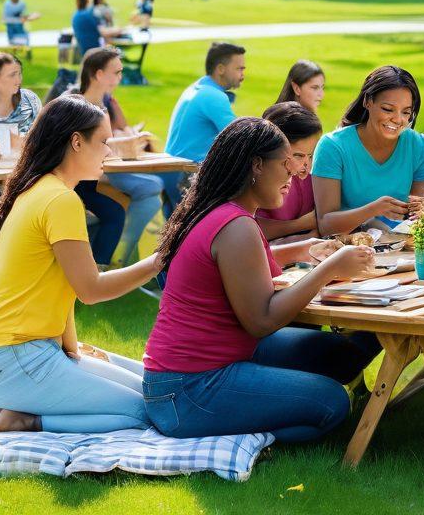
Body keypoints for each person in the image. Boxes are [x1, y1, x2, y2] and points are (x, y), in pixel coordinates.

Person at [143, 117, 380, 442]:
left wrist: (304, 250)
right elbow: (261, 321)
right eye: (285, 164)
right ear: (256, 165)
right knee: (332, 402)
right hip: (189, 389)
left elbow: (241, 267)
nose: (295, 174)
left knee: (338, 355)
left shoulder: (224, 213)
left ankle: (256, 404)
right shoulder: (236, 226)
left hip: (197, 370)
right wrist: (330, 268)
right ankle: (244, 439)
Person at [0, 95, 163, 434]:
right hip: (13, 361)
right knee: (147, 414)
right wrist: (160, 260)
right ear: (76, 141)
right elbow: (91, 289)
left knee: (155, 394)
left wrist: (72, 352)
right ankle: (26, 419)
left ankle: (19, 407)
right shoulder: (60, 199)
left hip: (15, 356)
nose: (109, 151)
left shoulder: (39, 189)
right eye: (103, 142)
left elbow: (60, 286)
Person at [311, 66, 424, 235]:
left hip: (400, 247)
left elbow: (420, 214)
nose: (398, 119)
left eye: (406, 112)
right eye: (388, 109)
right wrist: (373, 210)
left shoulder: (420, 146)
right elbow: (326, 225)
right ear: (368, 101)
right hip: (348, 247)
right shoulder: (333, 147)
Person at [75, 48, 164, 266]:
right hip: (74, 183)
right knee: (117, 211)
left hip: (91, 182)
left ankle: (118, 263)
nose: (120, 78)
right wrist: (126, 142)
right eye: (116, 72)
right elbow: (90, 148)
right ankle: (108, 265)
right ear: (98, 74)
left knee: (148, 194)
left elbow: (104, 145)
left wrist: (128, 140)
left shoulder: (101, 107)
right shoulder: (77, 106)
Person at [163, 42, 248, 213]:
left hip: (171, 171)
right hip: (188, 174)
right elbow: (241, 137)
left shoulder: (198, 87)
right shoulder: (213, 96)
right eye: (239, 69)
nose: (243, 74)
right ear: (221, 69)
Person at [255, 102, 322, 240]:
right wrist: (301, 225)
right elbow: (250, 229)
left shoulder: (311, 173)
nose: (306, 165)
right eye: (298, 155)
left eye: (311, 155)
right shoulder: (257, 176)